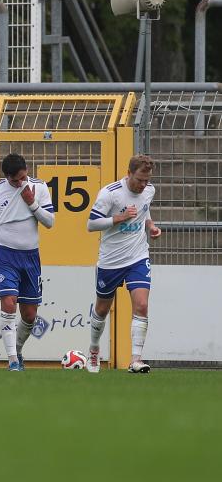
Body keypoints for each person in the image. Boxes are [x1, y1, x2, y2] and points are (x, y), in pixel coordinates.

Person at [0, 154, 55, 371]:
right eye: (15, 180)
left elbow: (49, 222)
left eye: (23, 177)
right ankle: (12, 360)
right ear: (7, 177)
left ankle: (18, 349)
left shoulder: (39, 187)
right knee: (9, 303)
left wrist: (32, 203)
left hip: (30, 257)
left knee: (29, 315)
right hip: (5, 255)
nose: (20, 183)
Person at [85, 155, 160, 374]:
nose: (143, 185)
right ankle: (94, 348)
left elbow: (145, 210)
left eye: (146, 180)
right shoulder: (110, 194)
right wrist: (119, 218)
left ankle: (136, 359)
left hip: (137, 256)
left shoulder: (149, 191)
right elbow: (91, 224)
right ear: (129, 174)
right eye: (139, 180)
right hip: (111, 260)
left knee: (142, 305)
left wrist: (152, 227)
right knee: (102, 308)